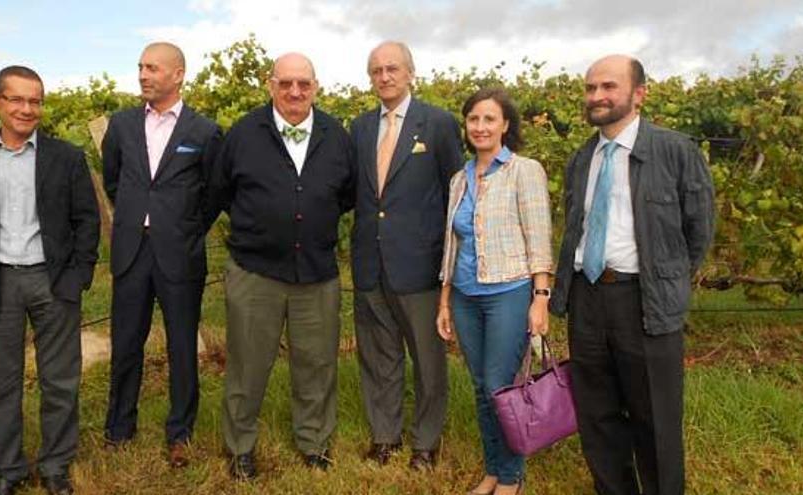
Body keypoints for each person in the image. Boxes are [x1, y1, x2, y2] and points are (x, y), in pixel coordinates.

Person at [550, 55, 715, 495]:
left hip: (643, 299)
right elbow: (575, 226)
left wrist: (666, 281)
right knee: (598, 415)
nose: (597, 96)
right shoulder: (582, 158)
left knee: (655, 417)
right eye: (590, 88)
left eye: (608, 86)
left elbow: (698, 231)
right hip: (588, 298)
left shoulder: (675, 151)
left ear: (638, 93)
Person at [0, 65, 100, 495]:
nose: (27, 109)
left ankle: (55, 467)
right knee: (1, 385)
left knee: (60, 381)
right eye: (17, 99)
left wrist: (77, 278)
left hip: (53, 283)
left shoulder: (65, 157)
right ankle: (9, 470)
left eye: (35, 101)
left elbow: (88, 222)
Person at [217, 52, 355, 479]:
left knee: (316, 364)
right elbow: (221, 191)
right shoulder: (242, 133)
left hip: (316, 272)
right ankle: (240, 447)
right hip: (255, 272)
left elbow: (347, 194)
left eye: (304, 84)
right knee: (247, 364)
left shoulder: (337, 135)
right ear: (270, 84)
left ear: (316, 86)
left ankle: (313, 442)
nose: (294, 92)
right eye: (285, 83)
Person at [102, 42, 223, 468]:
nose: (143, 75)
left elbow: (213, 194)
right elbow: (114, 182)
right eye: (139, 67)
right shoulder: (121, 126)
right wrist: (141, 219)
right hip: (132, 252)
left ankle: (180, 432)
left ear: (178, 74)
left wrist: (183, 228)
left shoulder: (204, 132)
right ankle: (119, 428)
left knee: (182, 347)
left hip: (181, 256)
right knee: (126, 344)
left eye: (152, 68)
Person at [350, 40, 463, 471]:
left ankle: (425, 443)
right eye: (376, 70)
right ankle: (385, 437)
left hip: (420, 264)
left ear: (411, 72)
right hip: (369, 262)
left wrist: (449, 266)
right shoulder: (359, 128)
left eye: (392, 68)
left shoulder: (436, 123)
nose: (384, 76)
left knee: (427, 360)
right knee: (379, 357)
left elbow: (456, 194)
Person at [436, 88, 553, 495]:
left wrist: (540, 299)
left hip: (509, 291)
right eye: (473, 119)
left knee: (500, 386)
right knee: (481, 387)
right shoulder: (459, 179)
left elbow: (539, 238)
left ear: (505, 124)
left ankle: (511, 478)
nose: (480, 127)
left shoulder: (525, 170)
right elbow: (452, 244)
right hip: (466, 296)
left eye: (489, 119)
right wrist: (445, 300)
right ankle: (493, 470)